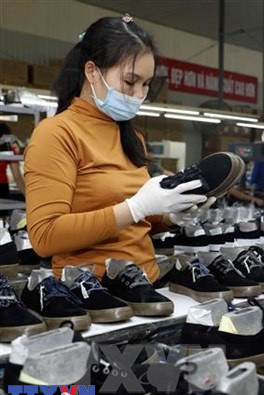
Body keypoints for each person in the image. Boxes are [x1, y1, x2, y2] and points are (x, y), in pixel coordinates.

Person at [24, 16, 210, 281]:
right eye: (130, 81)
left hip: (144, 284)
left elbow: (133, 226)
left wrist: (170, 217)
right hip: (93, 289)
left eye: (146, 84)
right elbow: (45, 236)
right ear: (92, 71)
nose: (139, 95)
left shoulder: (131, 137)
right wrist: (135, 207)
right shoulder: (57, 134)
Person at [0, 123, 25, 199]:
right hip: (2, 187)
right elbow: (17, 177)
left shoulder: (9, 149)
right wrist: (28, 197)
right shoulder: (9, 149)